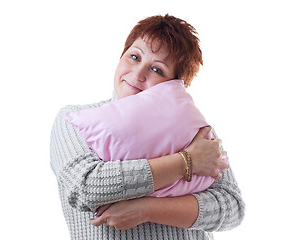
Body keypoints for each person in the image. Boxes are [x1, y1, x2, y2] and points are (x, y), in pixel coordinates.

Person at [50, 14, 245, 240]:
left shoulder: (192, 129)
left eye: (157, 70)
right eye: (134, 57)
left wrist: (145, 209)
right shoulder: (76, 119)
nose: (138, 73)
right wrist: (186, 162)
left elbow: (231, 207)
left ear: (174, 86)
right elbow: (86, 187)